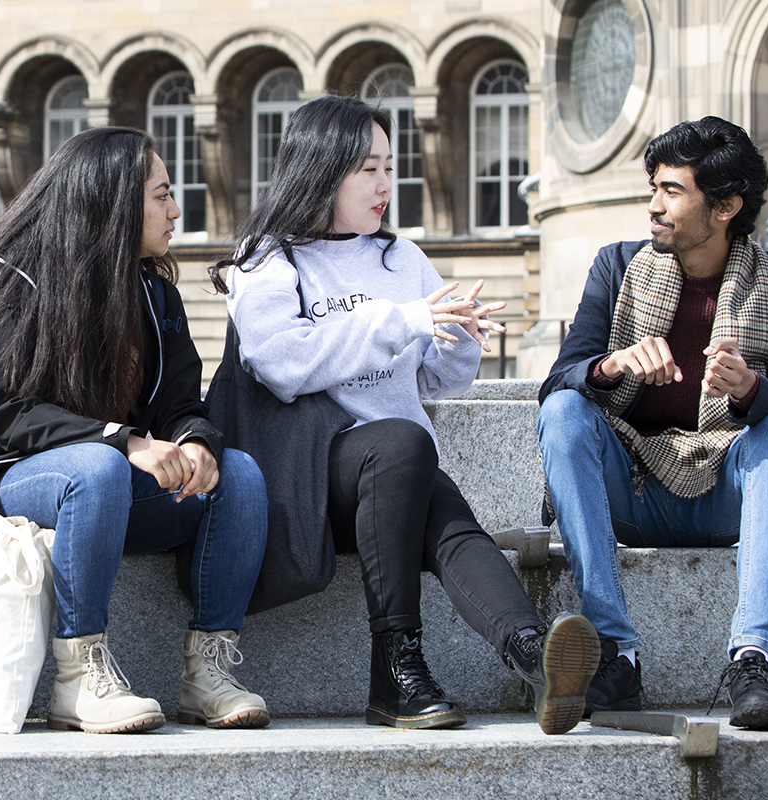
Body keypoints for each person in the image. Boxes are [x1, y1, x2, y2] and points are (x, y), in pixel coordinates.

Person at [212, 95, 600, 735]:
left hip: (394, 478)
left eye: (390, 166)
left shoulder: (402, 258)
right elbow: (281, 363)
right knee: (400, 445)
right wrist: (407, 319)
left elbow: (431, 381)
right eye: (368, 169)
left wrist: (458, 340)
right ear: (321, 169)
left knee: (445, 515)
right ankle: (396, 664)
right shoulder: (269, 256)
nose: (386, 184)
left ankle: (534, 655)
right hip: (308, 478)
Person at [0, 126, 271, 734]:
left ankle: (207, 671)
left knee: (239, 474)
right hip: (11, 477)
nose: (175, 210)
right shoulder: (17, 280)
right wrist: (124, 440)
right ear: (112, 199)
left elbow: (181, 402)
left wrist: (194, 441)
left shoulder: (155, 294)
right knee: (97, 467)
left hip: (109, 490)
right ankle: (79, 676)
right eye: (161, 195)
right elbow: (12, 414)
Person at [536, 116, 768, 731]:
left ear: (725, 207)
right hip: (631, 488)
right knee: (565, 411)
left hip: (723, 494)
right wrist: (611, 365)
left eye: (671, 191)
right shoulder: (617, 267)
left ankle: (754, 661)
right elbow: (555, 383)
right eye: (653, 190)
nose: (654, 208)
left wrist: (750, 391)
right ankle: (615, 653)